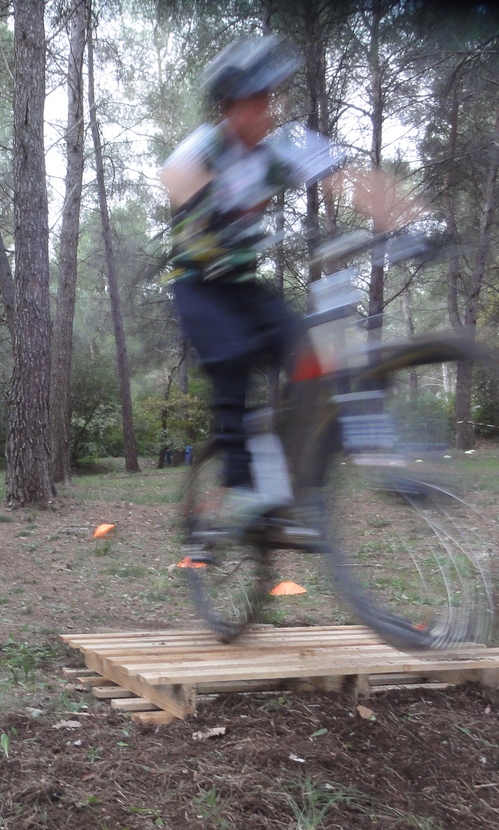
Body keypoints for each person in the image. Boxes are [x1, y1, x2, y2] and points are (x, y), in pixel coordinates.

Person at [160, 34, 415, 524]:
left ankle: (304, 477)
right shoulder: (208, 146)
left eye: (270, 98)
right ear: (230, 106)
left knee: (309, 353)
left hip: (242, 284)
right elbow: (174, 177)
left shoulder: (277, 150)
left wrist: (407, 219)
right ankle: (239, 488)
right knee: (232, 357)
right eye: (256, 100)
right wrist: (211, 206)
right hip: (198, 285)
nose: (268, 109)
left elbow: (348, 178)